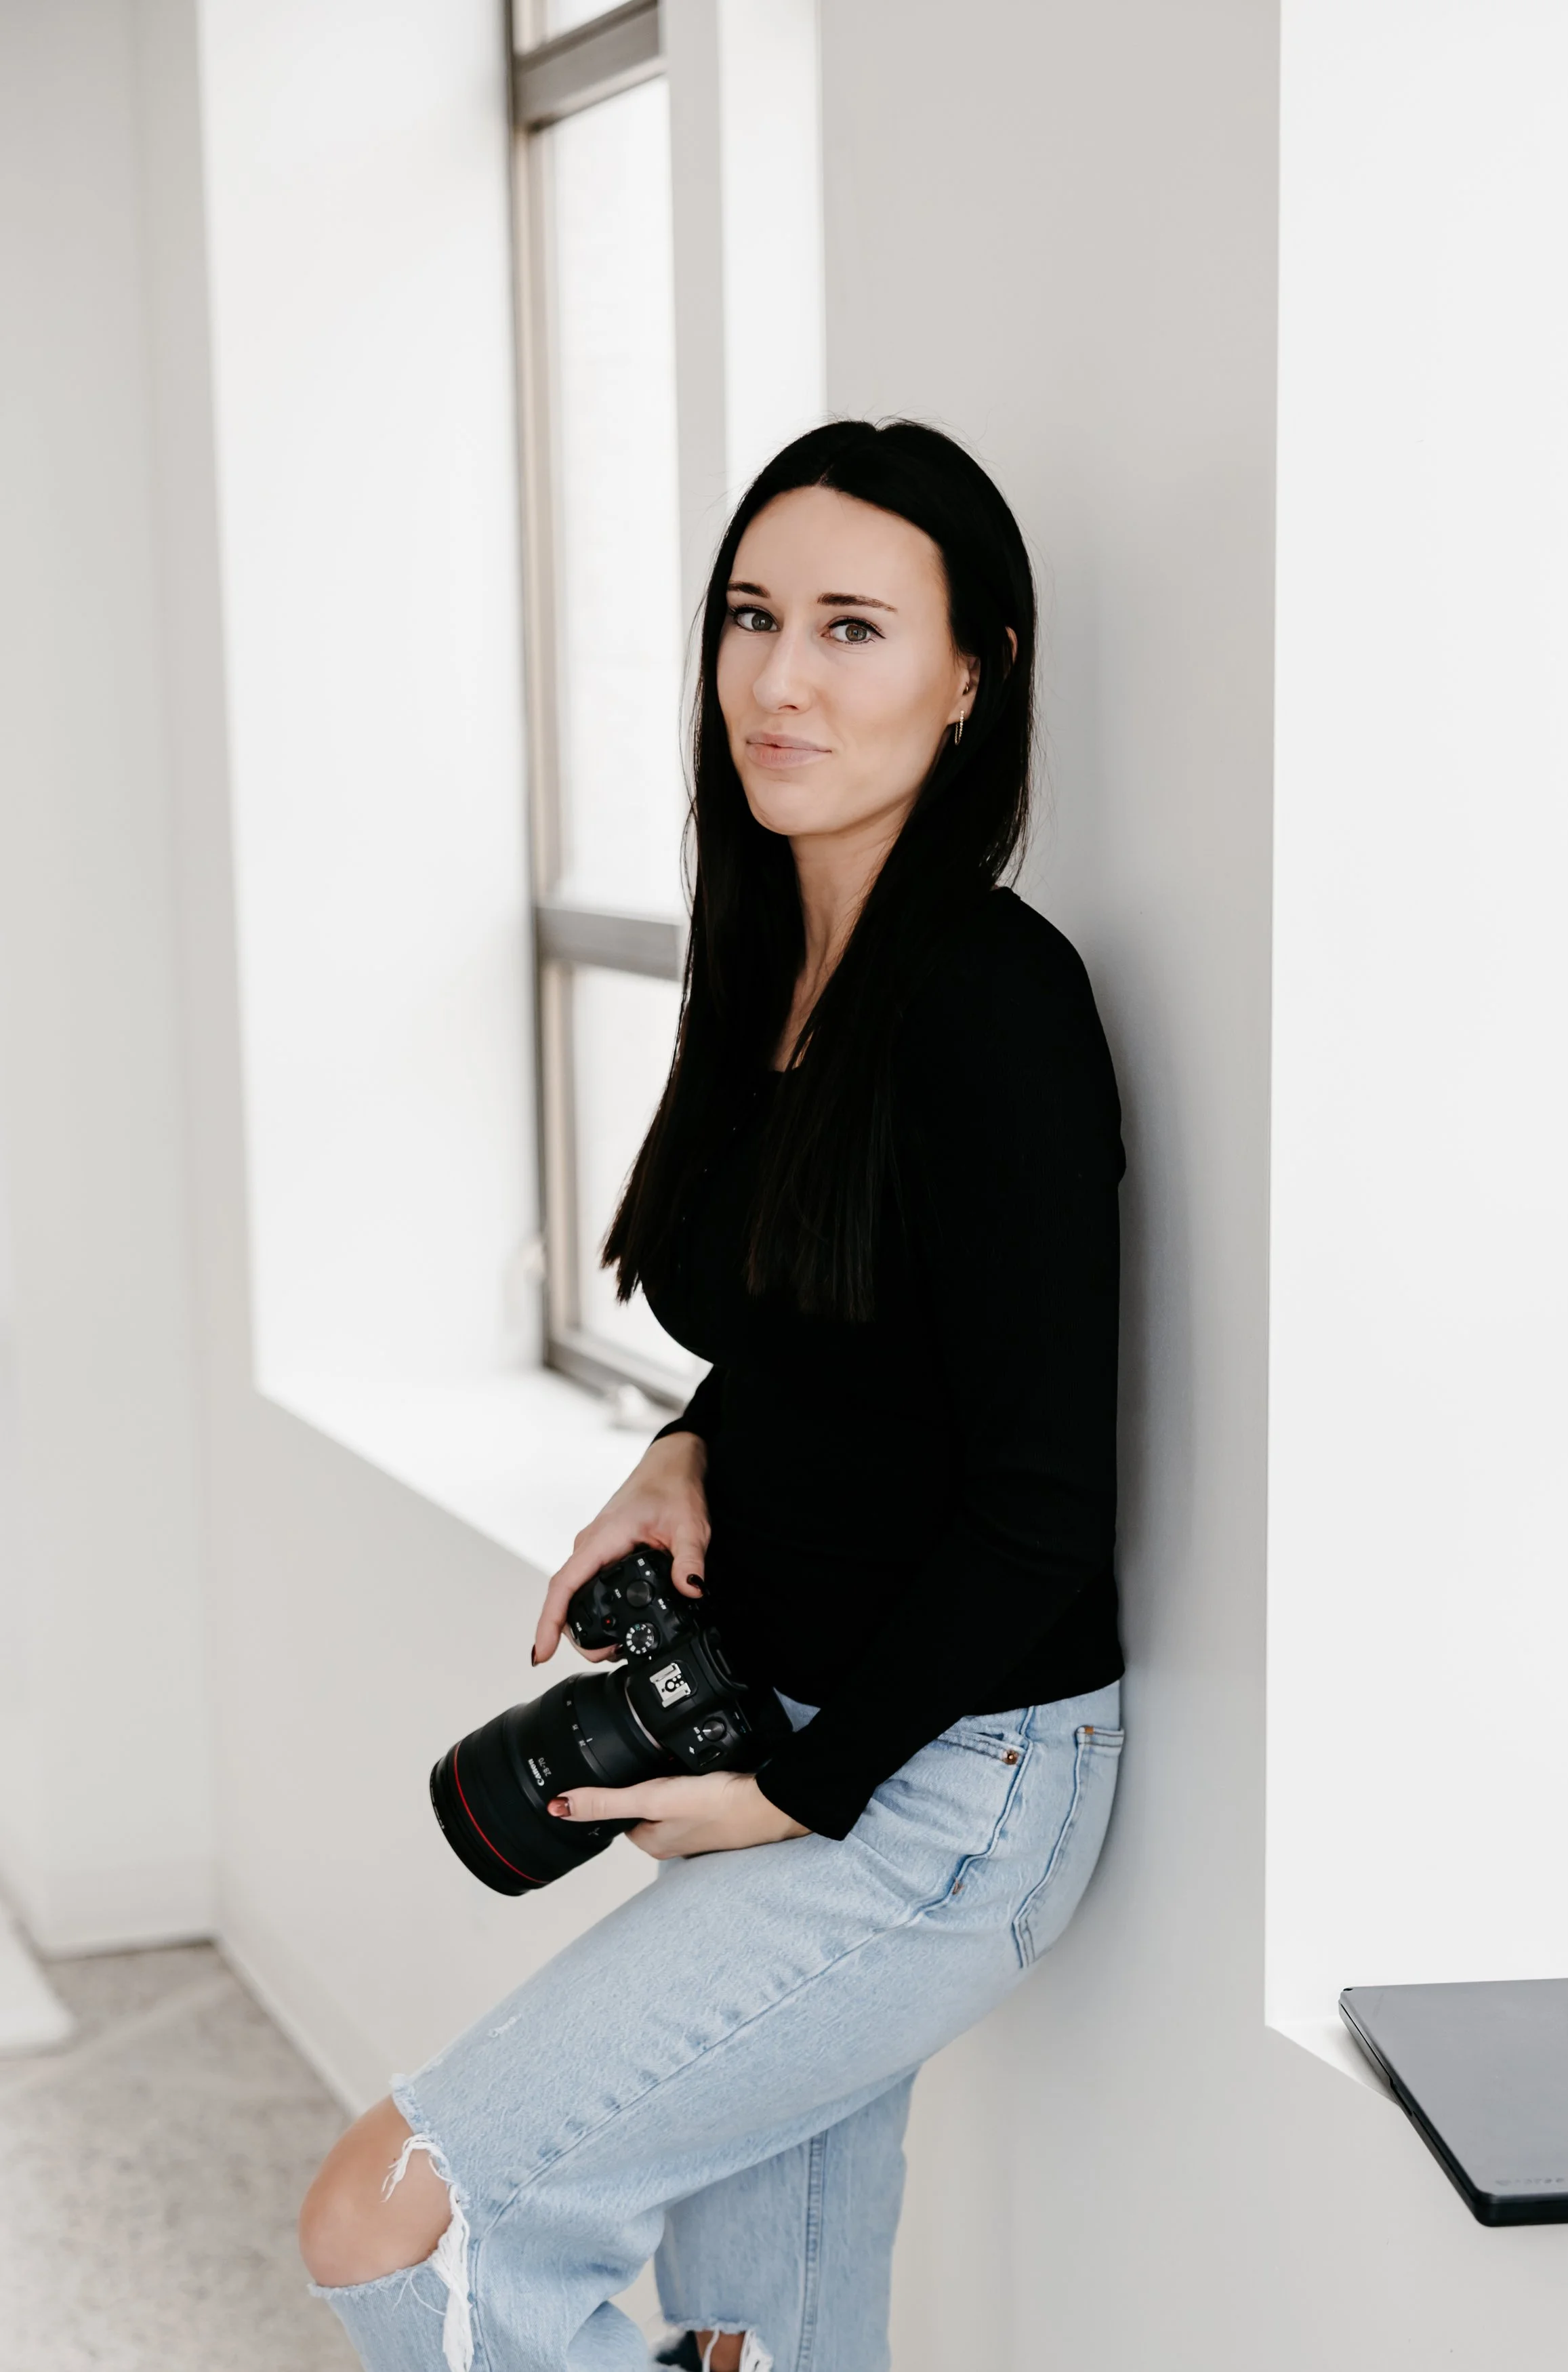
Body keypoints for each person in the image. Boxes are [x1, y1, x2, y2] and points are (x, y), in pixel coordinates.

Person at [298, 420, 1126, 2372]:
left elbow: (1043, 1494)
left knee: (400, 2223)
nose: (779, 677)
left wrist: (797, 1792)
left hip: (945, 1784)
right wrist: (683, 1444)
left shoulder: (992, 1007)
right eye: (751, 617)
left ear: (971, 669)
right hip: (807, 1710)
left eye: (852, 626)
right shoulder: (765, 959)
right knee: (769, 2332)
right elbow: (813, 1324)